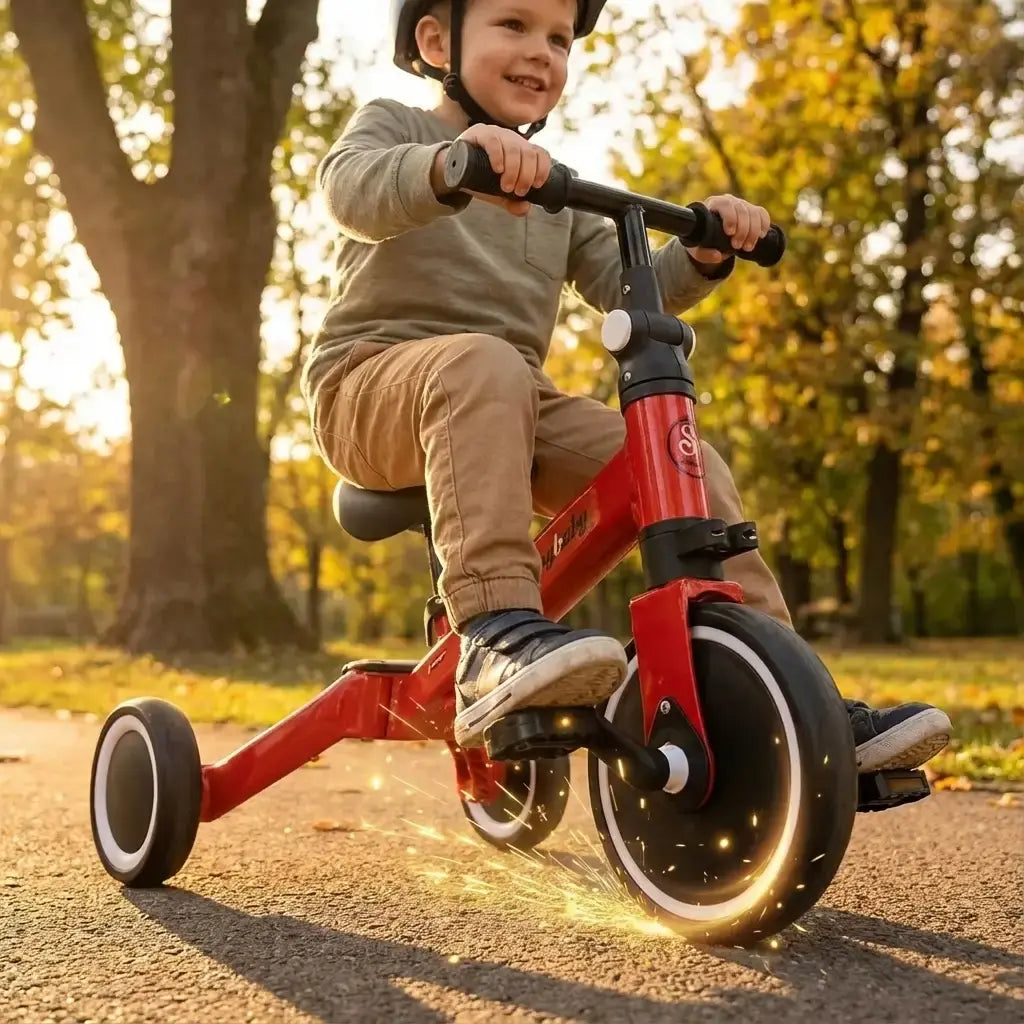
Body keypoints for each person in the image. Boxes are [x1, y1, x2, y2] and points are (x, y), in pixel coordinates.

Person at [303, 0, 951, 769]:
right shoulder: (399, 127)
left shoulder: (553, 189)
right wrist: (449, 166)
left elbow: (621, 282)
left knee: (680, 460)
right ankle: (493, 631)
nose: (541, 52)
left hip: (510, 399)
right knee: (482, 362)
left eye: (558, 38)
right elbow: (350, 191)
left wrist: (705, 252)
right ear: (438, 39)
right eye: (513, 26)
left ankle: (787, 690)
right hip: (368, 388)